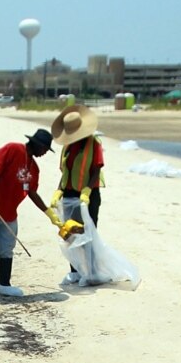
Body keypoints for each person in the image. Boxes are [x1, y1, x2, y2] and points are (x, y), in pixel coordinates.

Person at [0, 128, 63, 300]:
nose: (45, 153)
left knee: (7, 249)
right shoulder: (13, 149)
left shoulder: (34, 168)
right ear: (37, 145)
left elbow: (31, 192)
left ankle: (4, 285)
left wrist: (49, 214)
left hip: (9, 213)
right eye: (45, 149)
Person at [49, 105, 105, 284]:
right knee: (70, 233)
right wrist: (58, 191)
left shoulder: (94, 144)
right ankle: (75, 271)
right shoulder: (67, 147)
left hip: (88, 196)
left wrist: (87, 191)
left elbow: (96, 170)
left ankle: (91, 272)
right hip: (69, 194)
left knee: (88, 234)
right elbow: (65, 172)